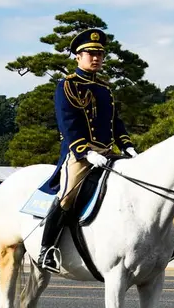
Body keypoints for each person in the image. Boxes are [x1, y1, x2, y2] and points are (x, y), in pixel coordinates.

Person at [37, 28, 139, 273]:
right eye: (89, 54)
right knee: (68, 195)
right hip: (81, 154)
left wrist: (128, 146)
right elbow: (67, 124)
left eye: (99, 54)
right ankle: (46, 249)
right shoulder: (67, 85)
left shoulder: (105, 89)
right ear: (77, 56)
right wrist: (84, 152)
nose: (95, 58)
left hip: (108, 152)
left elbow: (116, 122)